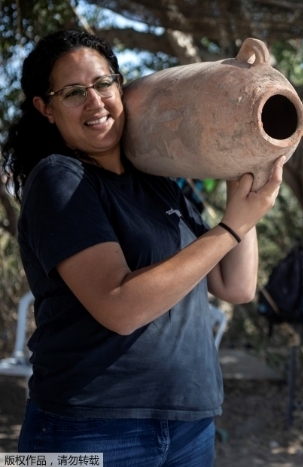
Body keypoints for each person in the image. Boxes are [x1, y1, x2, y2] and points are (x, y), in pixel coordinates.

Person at [1, 29, 283, 466]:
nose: (95, 102)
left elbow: (236, 285)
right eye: (74, 92)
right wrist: (232, 227)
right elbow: (120, 307)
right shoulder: (59, 179)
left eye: (103, 84)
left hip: (190, 423)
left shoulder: (161, 183)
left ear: (120, 85)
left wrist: (239, 166)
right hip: (87, 428)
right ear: (46, 108)